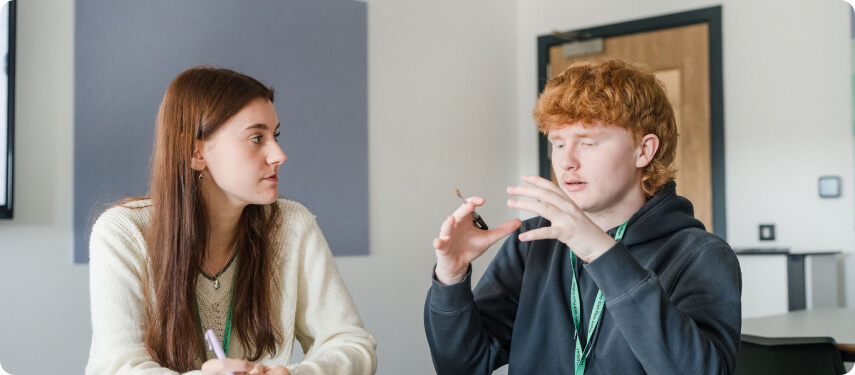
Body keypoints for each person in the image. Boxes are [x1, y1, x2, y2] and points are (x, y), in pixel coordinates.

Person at [424, 58, 742, 374]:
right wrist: (450, 280)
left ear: (644, 151)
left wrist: (602, 254)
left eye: (588, 143)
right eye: (558, 144)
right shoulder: (533, 242)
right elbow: (461, 366)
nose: (566, 162)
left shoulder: (701, 255)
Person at [86, 67, 377, 375]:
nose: (279, 154)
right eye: (256, 138)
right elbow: (119, 368)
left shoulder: (292, 226)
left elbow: (352, 345)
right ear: (195, 152)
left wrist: (293, 374)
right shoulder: (123, 233)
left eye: (274, 136)